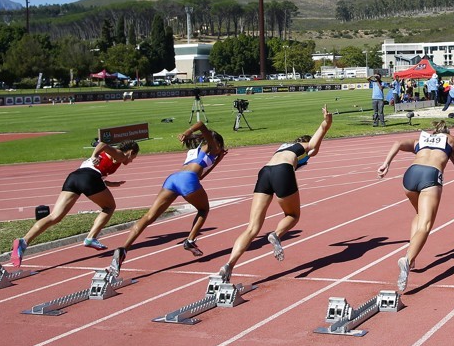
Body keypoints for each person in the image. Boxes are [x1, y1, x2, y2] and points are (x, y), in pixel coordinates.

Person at [217, 106, 333, 282]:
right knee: (293, 215)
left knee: (252, 227)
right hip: (282, 171)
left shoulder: (282, 148)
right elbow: (314, 146)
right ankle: (276, 235)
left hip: (265, 172)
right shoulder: (302, 148)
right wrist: (326, 123)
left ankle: (229, 265)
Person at [109, 122, 226, 274]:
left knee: (149, 216)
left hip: (173, 179)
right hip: (188, 180)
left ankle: (123, 249)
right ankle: (190, 240)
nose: (220, 150)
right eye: (220, 146)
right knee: (204, 209)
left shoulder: (194, 151)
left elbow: (201, 175)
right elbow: (202, 125)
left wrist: (218, 160)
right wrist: (188, 131)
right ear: (216, 142)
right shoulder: (212, 146)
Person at [9, 141, 140, 267]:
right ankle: (91, 238)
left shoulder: (115, 159)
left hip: (74, 177)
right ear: (130, 152)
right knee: (109, 207)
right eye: (133, 157)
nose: (131, 161)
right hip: (89, 178)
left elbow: (97, 174)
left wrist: (112, 184)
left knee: (55, 216)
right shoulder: (120, 155)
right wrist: (94, 155)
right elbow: (103, 144)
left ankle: (23, 241)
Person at [377, 120, 454, 292]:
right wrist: (453, 152)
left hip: (410, 175)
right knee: (425, 225)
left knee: (419, 214)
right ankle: (407, 259)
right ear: (446, 132)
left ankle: (413, 254)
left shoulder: (421, 140)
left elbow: (397, 142)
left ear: (433, 132)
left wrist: (386, 163)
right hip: (430, 176)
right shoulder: (450, 139)